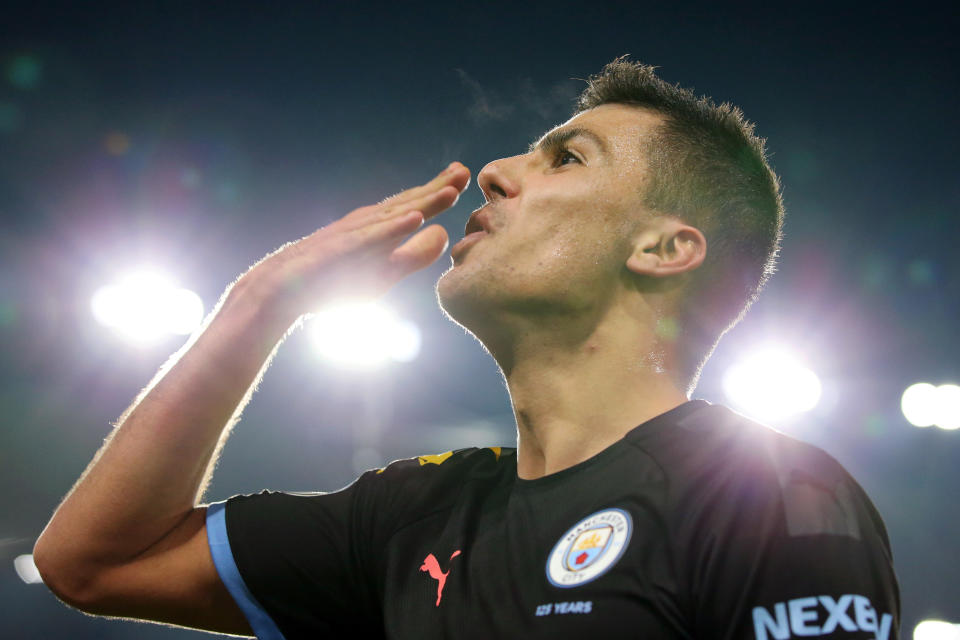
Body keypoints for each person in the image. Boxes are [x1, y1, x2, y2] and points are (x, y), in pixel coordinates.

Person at [34, 59, 900, 639]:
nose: (495, 171)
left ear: (664, 249)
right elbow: (93, 564)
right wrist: (259, 305)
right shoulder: (410, 516)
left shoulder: (766, 496)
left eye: (566, 158)